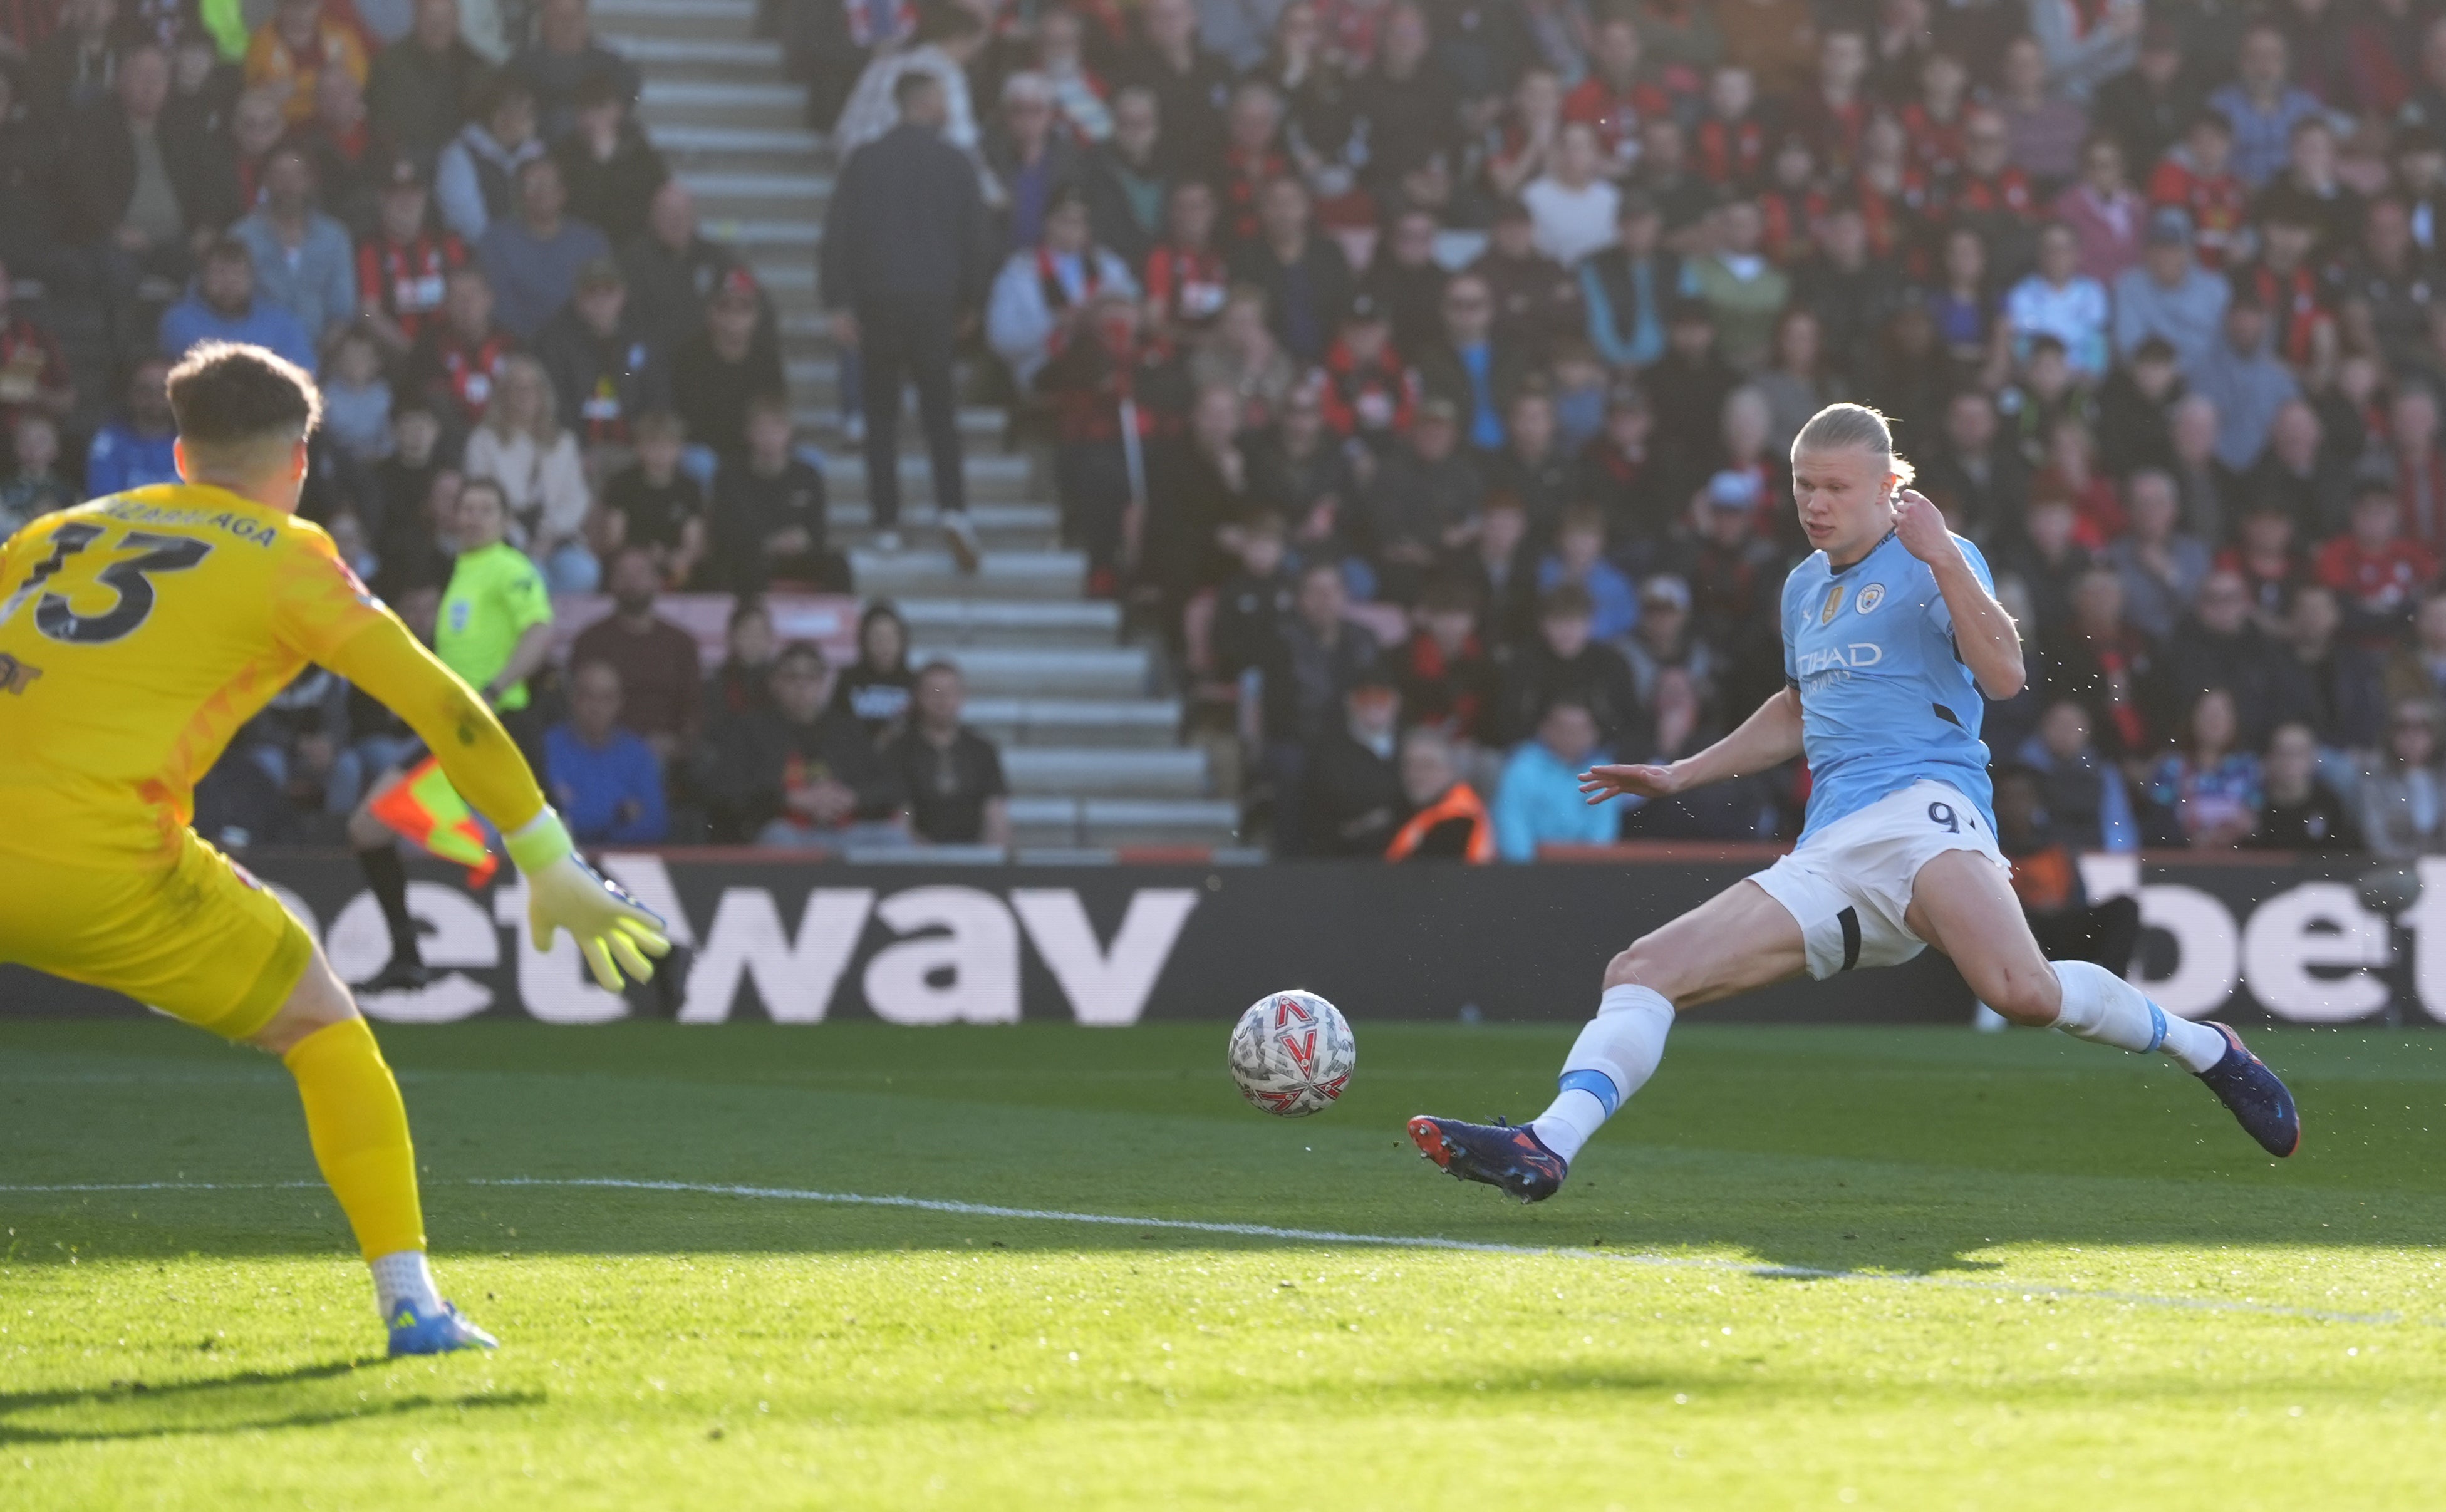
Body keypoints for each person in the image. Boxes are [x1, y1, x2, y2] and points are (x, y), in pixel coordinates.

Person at [1409, 403, 2300, 1207]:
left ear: (1888, 487)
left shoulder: (1933, 560)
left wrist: (1946, 553)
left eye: (1835, 487)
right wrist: (1683, 772)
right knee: (1639, 969)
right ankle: (1545, 1143)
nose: (1816, 503)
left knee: (2023, 992)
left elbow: (2004, 673)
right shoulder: (1803, 587)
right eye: (1803, 485)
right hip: (1831, 845)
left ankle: (2208, 1048)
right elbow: (1800, 707)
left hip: (1926, 810)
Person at [0, 339, 665, 1357]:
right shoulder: (286, 551)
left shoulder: (53, 530)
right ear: (299, 463)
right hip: (99, 863)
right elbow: (446, 705)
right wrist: (546, 857)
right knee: (321, 1024)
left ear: (180, 454)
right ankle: (412, 1303)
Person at [824, 68, 991, 566]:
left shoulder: (866, 161)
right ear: (927, 101)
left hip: (879, 303)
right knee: (940, 415)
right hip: (935, 304)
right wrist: (972, 301)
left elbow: (838, 235)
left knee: (881, 419)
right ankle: (953, 509)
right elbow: (977, 239)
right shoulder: (956, 162)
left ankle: (887, 523)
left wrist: (837, 302)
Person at [697, 639, 909, 847]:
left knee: (893, 839)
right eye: (792, 677)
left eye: (811, 677)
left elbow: (891, 785)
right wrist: (789, 799)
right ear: (774, 682)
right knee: (778, 837)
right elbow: (725, 789)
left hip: (846, 830)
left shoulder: (846, 728)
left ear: (822, 683)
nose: (802, 685)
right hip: (786, 830)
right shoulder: (750, 729)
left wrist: (853, 798)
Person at [462, 352, 594, 593]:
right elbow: (480, 498)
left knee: (583, 571)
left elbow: (577, 498)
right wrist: (521, 540)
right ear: (504, 394)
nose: (525, 395)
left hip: (556, 537)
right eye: (517, 388)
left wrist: (549, 535)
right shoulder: (483, 441)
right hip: (506, 538)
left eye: (533, 388)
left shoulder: (564, 442)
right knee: (534, 577)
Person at [568, 546, 700, 764]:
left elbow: (694, 709)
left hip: (667, 756)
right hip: (602, 752)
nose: (632, 581)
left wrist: (678, 744)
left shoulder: (681, 643)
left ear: (656, 581)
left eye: (640, 573)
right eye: (623, 574)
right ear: (611, 583)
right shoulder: (590, 642)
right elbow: (577, 706)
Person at [476, 156, 611, 343]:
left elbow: (603, 300)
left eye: (548, 185)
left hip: (582, 346)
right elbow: (500, 309)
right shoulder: (496, 242)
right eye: (532, 186)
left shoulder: (591, 242)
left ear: (563, 193)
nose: (541, 193)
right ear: (520, 195)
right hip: (519, 347)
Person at [883, 660, 1012, 846]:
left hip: (974, 857)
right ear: (918, 696)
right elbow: (902, 816)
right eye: (933, 692)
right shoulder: (899, 751)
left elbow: (995, 812)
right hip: (918, 858)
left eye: (950, 692)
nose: (942, 700)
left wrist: (989, 860)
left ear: (962, 696)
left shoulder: (982, 750)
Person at [545, 659, 668, 844]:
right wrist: (620, 813)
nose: (596, 707)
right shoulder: (548, 748)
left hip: (630, 864)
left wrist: (585, 811)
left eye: (606, 698)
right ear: (573, 698)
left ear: (619, 702)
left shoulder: (637, 752)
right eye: (588, 696)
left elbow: (656, 824)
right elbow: (554, 821)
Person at [1493, 696, 1622, 861]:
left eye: (1582, 729)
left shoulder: (1604, 771)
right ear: (1545, 729)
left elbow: (1603, 836)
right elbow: (1512, 828)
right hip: (1531, 872)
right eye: (1566, 729)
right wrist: (1527, 874)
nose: (1573, 737)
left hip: (1585, 874)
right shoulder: (1522, 768)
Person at [160, 237, 317, 371]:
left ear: (252, 277)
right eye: (219, 272)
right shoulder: (178, 321)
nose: (228, 282)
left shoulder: (282, 323)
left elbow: (303, 370)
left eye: (237, 273)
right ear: (203, 276)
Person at [1301, 671, 1407, 857]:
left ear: (1396, 702)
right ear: (1349, 702)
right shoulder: (1327, 752)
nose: (1373, 705)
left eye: (1381, 698)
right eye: (1364, 697)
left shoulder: (1414, 746)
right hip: (1347, 858)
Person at [1383, 725, 1495, 862]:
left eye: (1428, 765)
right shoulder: (1403, 811)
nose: (1417, 774)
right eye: (1410, 765)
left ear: (1451, 770)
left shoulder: (1460, 820)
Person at [2249, 720, 2358, 851]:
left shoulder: (2329, 803)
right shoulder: (2254, 806)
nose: (2289, 761)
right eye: (2282, 752)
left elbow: (2344, 856)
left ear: (2313, 758)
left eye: (2299, 753)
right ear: (2269, 757)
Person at [86, 355, 182, 494]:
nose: (154, 398)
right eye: (145, 390)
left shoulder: (193, 442)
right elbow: (103, 500)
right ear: (130, 393)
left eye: (164, 390)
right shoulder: (109, 442)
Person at [829, 600, 916, 741]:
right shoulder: (848, 680)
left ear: (902, 641)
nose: (884, 646)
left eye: (890, 638)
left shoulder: (915, 683)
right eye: (877, 638)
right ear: (864, 641)